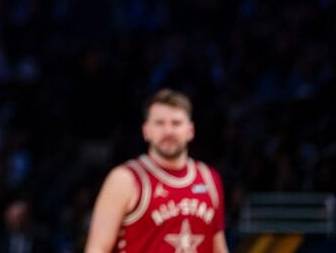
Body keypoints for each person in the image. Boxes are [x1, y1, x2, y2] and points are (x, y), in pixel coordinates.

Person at [83, 89, 228, 253]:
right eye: (160, 123)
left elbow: (218, 247)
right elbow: (96, 249)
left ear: (190, 130)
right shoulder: (125, 179)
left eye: (176, 123)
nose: (168, 131)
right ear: (146, 131)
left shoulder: (209, 178)